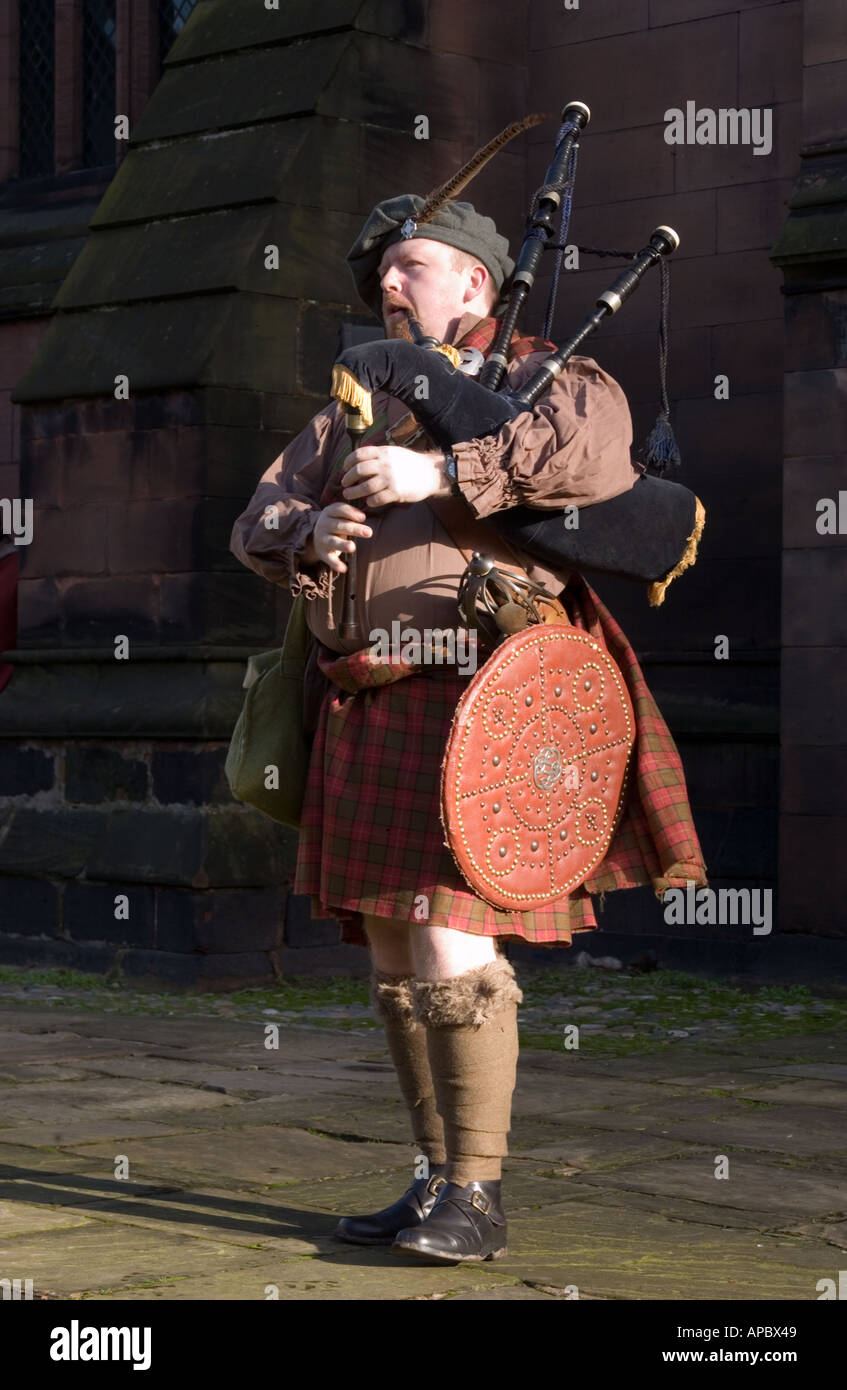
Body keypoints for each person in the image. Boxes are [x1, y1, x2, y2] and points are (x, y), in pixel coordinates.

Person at [229, 193, 706, 1264]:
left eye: (408, 266)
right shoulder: (350, 407)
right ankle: (432, 1176)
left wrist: (434, 472)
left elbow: (588, 462)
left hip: (479, 697)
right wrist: (311, 527)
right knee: (395, 952)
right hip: (361, 691)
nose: (386, 288)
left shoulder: (552, 379)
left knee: (451, 940)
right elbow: (252, 522)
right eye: (381, 274)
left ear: (476, 284)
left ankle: (478, 1193)